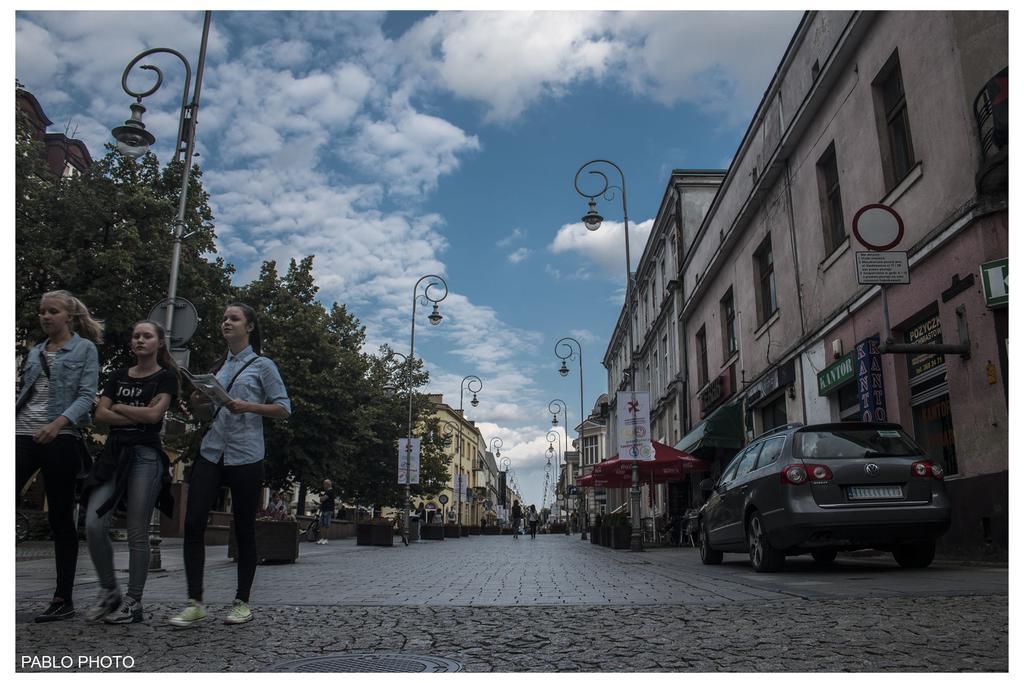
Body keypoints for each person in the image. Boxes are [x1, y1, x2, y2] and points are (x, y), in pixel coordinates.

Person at [169, 303, 291, 628]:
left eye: (233, 318)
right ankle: (195, 602)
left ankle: (241, 602)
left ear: (249, 326)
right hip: (212, 451)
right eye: (223, 318)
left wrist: (248, 406)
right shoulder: (219, 366)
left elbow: (284, 408)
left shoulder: (263, 365)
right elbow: (207, 413)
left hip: (246, 454)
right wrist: (197, 402)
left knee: (244, 528)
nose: (226, 322)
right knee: (193, 523)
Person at [84, 320, 179, 624]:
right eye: (136, 335)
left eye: (147, 336)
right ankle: (110, 590)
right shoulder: (116, 375)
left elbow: (154, 416)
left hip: (146, 457)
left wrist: (120, 408)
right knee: (94, 524)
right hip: (113, 456)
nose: (140, 340)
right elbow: (99, 414)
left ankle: (133, 601)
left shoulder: (166, 378)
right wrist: (134, 414)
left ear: (159, 343)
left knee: (137, 531)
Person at [16, 290, 102, 623]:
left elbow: (85, 396)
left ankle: (62, 598)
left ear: (69, 316)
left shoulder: (85, 349)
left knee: (60, 518)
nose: (45, 317)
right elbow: (26, 394)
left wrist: (57, 424)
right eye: (42, 312)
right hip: (21, 434)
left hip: (61, 438)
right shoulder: (35, 351)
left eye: (52, 311)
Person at [317, 479, 336, 545]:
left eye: (324, 484)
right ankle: (322, 538)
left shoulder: (330, 491)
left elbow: (322, 499)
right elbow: (322, 499)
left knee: (326, 525)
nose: (323, 486)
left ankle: (325, 539)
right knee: (322, 524)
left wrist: (321, 498)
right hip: (324, 509)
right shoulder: (326, 491)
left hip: (328, 510)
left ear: (328, 484)